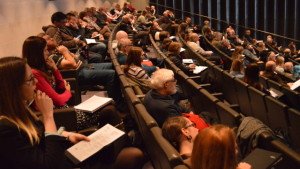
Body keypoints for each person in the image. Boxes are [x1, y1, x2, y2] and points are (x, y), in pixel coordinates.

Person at [0, 56, 144, 169]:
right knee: (133, 156)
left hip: (61, 154)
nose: (35, 83)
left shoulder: (20, 110)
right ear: (12, 88)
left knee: (115, 147)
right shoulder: (5, 128)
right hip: (56, 161)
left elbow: (39, 132)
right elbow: (49, 165)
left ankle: (130, 139)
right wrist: (48, 116)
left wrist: (67, 135)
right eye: (30, 79)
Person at [22, 36, 123, 130]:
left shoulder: (43, 68)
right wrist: (68, 92)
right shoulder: (35, 74)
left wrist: (55, 69)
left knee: (109, 105)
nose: (47, 53)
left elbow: (61, 87)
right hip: (63, 116)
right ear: (37, 54)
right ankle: (123, 138)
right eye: (44, 50)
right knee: (109, 110)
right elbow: (59, 100)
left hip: (65, 109)